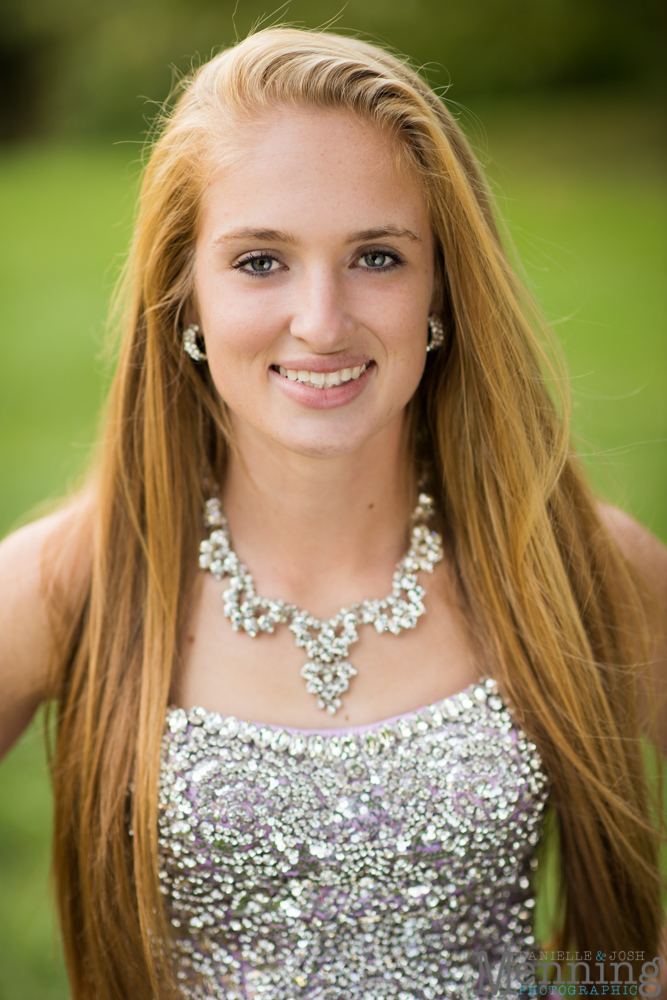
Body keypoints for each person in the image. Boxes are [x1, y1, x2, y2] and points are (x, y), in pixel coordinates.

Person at [0, 26, 665, 1000]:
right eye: (261, 261)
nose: (320, 319)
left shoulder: (575, 559)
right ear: (184, 291)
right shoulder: (70, 577)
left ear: (441, 284)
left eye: (377, 257)